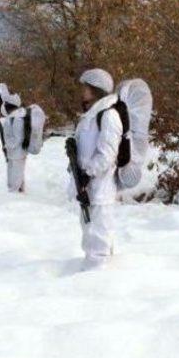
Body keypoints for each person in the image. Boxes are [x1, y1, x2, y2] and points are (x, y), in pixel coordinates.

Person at [71, 68, 123, 270]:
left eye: (85, 87)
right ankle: (91, 277)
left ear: (95, 90)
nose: (82, 91)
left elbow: (107, 156)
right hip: (88, 189)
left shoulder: (109, 116)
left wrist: (87, 173)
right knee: (90, 235)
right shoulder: (91, 116)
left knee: (99, 240)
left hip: (100, 190)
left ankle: (98, 282)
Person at [0, 93, 27, 193]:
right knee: (14, 175)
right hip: (13, 153)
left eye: (5, 104)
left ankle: (15, 197)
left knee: (16, 176)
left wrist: (8, 146)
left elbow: (18, 138)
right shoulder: (12, 117)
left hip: (17, 153)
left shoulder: (17, 119)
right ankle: (18, 192)